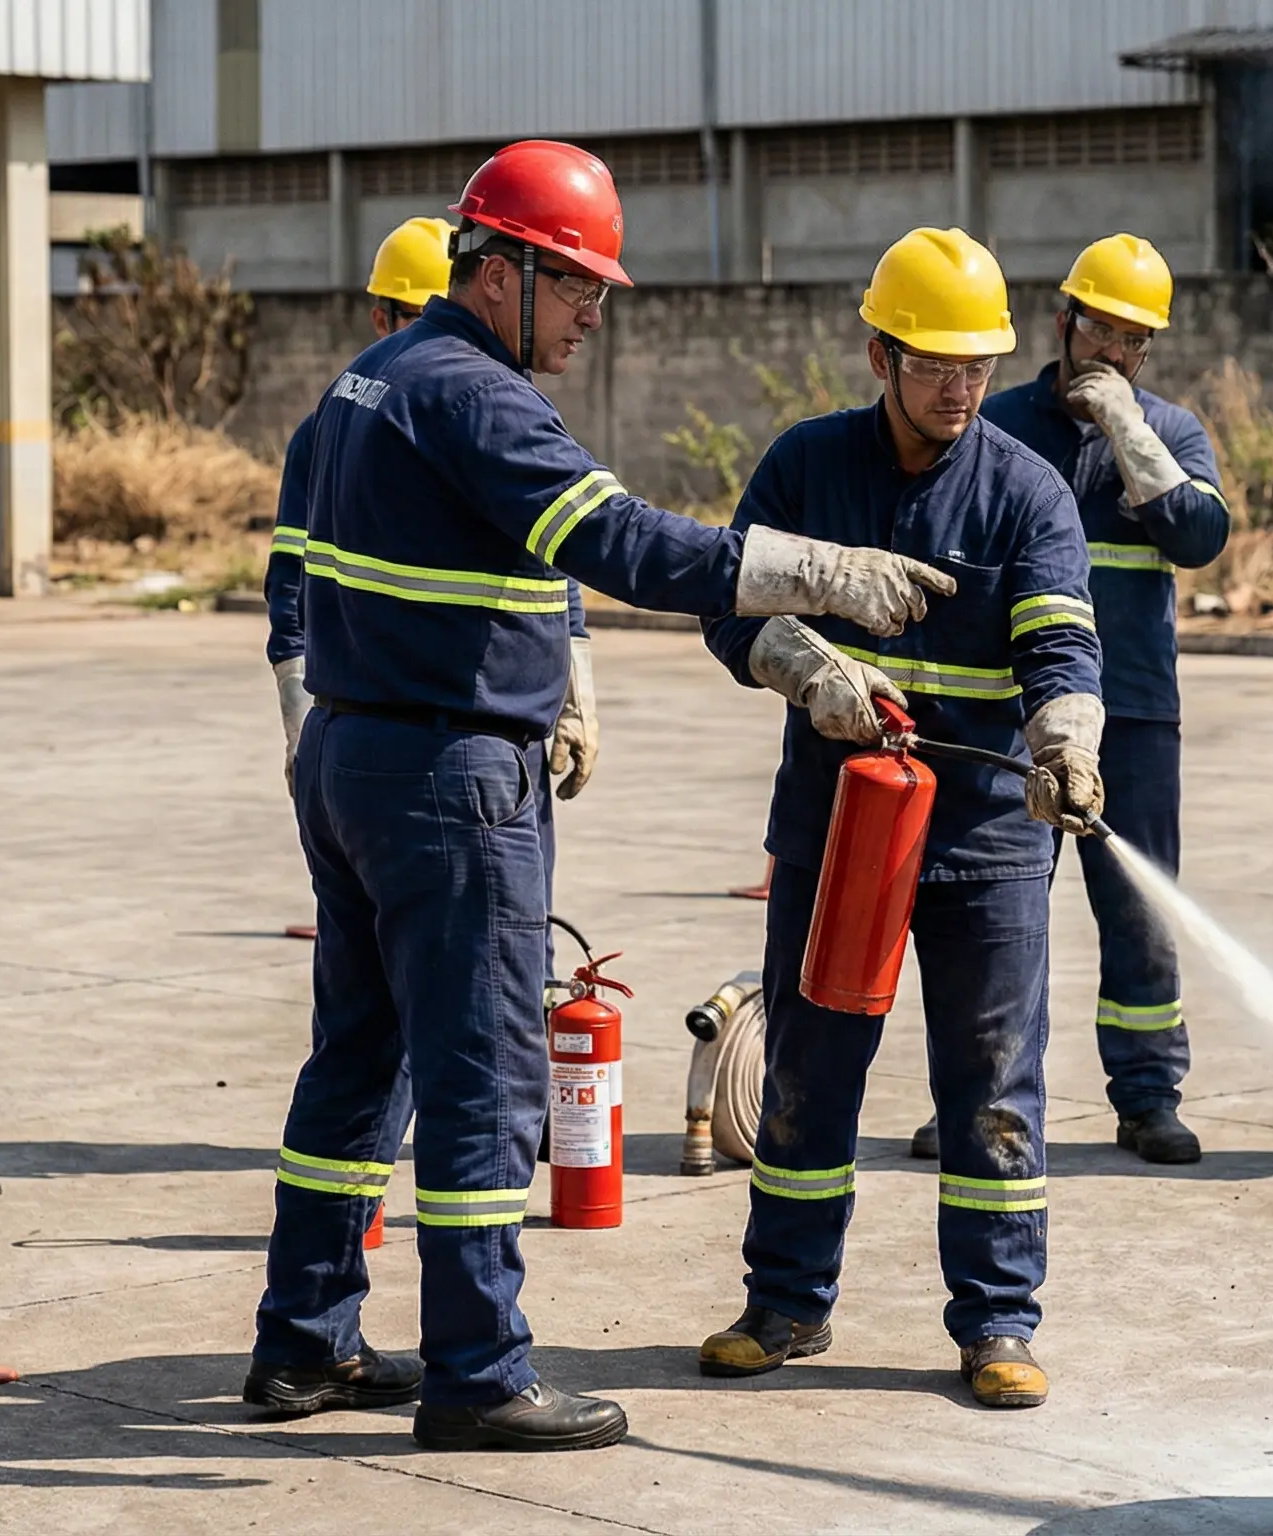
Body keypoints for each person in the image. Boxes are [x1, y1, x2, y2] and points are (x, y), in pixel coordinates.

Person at [247, 141, 958, 1452]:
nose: (592, 313)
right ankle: (480, 1373)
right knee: (482, 1080)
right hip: (452, 780)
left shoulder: (372, 382)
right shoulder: (479, 396)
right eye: (577, 285)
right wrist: (820, 573)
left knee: (357, 1062)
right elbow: (625, 542)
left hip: (353, 756)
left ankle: (304, 1338)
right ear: (502, 269)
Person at [695, 227, 1105, 1410]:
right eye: (931, 361)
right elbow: (726, 604)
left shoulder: (1025, 488)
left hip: (984, 838)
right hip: (836, 833)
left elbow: (1059, 641)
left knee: (990, 1086)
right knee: (810, 1077)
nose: (957, 386)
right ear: (877, 354)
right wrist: (800, 665)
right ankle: (784, 1305)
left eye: (976, 364)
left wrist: (1065, 742)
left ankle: (996, 1324)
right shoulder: (805, 467)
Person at [973, 232, 1228, 1166]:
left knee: (1138, 907)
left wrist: (1127, 426)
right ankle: (987, 1095)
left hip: (1136, 710)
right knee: (1001, 909)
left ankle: (1148, 1095)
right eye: (1101, 330)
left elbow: (1200, 535)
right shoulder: (998, 425)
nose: (1114, 352)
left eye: (1133, 341)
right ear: (1063, 320)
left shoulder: (1171, 432)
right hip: (1018, 709)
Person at [269, 217, 597, 814]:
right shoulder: (333, 426)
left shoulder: (494, 414)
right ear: (382, 320)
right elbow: (292, 586)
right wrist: (298, 716)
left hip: (483, 737)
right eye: (419, 318)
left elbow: (554, 557)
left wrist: (577, 694)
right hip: (411, 745)